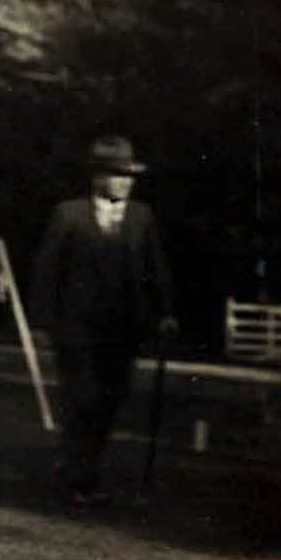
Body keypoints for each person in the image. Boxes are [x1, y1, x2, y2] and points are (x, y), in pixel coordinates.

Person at [29, 135, 179, 508]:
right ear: (97, 177)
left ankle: (80, 468)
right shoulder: (69, 215)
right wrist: (42, 321)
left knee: (109, 401)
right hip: (76, 329)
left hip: (122, 330)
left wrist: (166, 313)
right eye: (118, 174)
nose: (126, 181)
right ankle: (80, 478)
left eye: (130, 175)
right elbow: (47, 270)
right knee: (81, 399)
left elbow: (156, 270)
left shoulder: (142, 217)